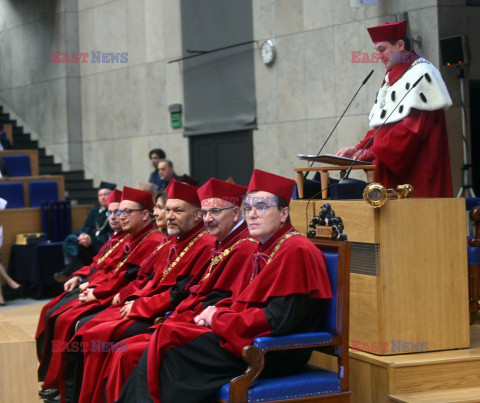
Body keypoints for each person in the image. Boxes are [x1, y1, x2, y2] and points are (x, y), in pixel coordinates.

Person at [117, 169, 333, 403]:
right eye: (248, 208)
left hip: (274, 351)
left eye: (260, 207)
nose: (251, 215)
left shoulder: (295, 249)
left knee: (171, 349)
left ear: (283, 213)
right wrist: (215, 313)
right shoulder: (267, 246)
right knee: (167, 337)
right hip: (250, 339)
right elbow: (243, 299)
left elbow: (280, 320)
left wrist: (219, 318)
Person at [83, 178, 258, 403]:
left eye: (214, 211)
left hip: (207, 331)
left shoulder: (242, 246)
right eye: (206, 212)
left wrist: (173, 315)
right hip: (181, 318)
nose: (208, 219)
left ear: (235, 213)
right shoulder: (220, 243)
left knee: (123, 350)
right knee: (106, 340)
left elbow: (218, 299)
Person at [59, 179, 216, 403]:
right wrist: (127, 297)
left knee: (96, 335)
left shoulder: (205, 244)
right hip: (148, 304)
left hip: (164, 313)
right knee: (81, 324)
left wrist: (135, 302)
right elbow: (149, 279)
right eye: (166, 209)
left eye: (176, 210)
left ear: (198, 215)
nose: (168, 215)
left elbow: (180, 292)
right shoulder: (177, 240)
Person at [38, 187, 164, 399]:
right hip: (112, 293)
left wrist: (103, 294)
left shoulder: (154, 240)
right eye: (114, 212)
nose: (118, 217)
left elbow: (137, 279)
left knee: (77, 325)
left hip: (132, 302)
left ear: (145, 214)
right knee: (54, 314)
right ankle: (64, 386)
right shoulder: (131, 237)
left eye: (124, 212)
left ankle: (75, 392)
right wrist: (86, 281)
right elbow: (103, 265)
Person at [337, 19, 453, 198]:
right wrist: (358, 147)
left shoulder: (421, 74)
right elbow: (383, 127)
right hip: (393, 174)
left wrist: (371, 152)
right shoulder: (391, 77)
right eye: (377, 51)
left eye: (382, 49)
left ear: (400, 45)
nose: (379, 56)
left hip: (417, 177)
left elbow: (411, 130)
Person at [55, 181, 117, 282]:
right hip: (89, 242)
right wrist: (82, 235)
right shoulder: (95, 211)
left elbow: (114, 235)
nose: (103, 197)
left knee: (80, 248)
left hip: (104, 244)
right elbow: (86, 227)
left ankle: (73, 271)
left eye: (106, 194)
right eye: (100, 195)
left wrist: (92, 240)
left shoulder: (116, 212)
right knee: (71, 240)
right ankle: (77, 269)